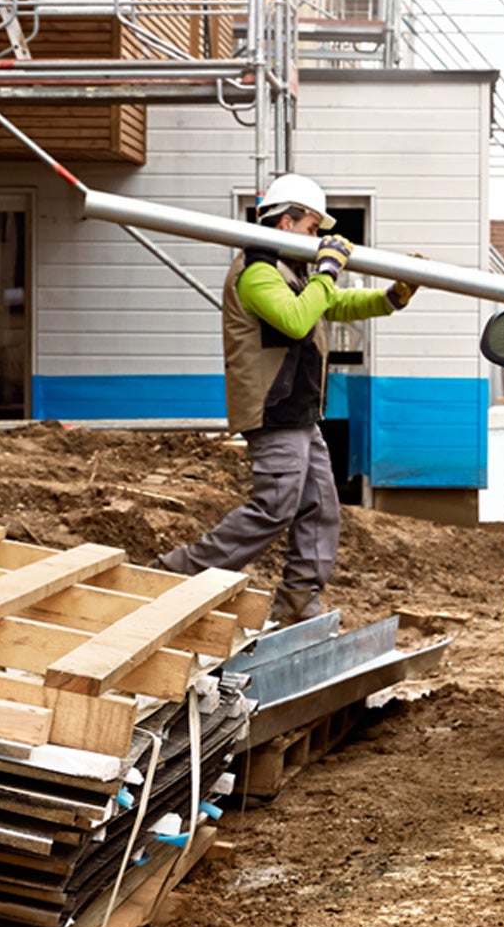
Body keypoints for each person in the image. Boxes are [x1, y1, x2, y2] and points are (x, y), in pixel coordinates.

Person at [160, 173, 412, 621]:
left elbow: (333, 304)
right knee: (274, 507)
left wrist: (389, 298)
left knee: (320, 509)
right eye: (313, 229)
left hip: (298, 413)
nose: (318, 240)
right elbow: (297, 319)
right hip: (273, 411)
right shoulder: (256, 273)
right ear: (286, 223)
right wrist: (330, 269)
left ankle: (297, 605)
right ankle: (174, 576)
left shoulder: (292, 273)